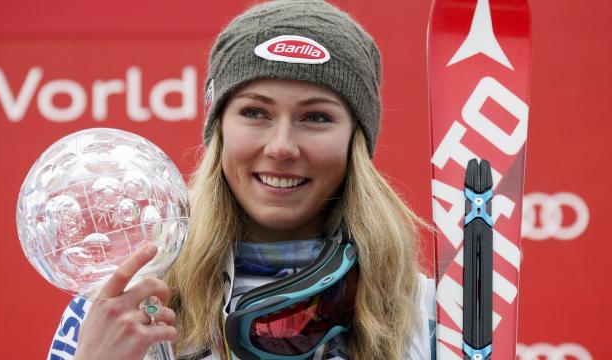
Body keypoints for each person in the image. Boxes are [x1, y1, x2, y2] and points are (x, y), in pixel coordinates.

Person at [48, 1, 435, 359]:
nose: (281, 147)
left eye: (316, 117)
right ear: (219, 131)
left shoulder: (430, 314)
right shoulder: (125, 307)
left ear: (356, 140)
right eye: (255, 112)